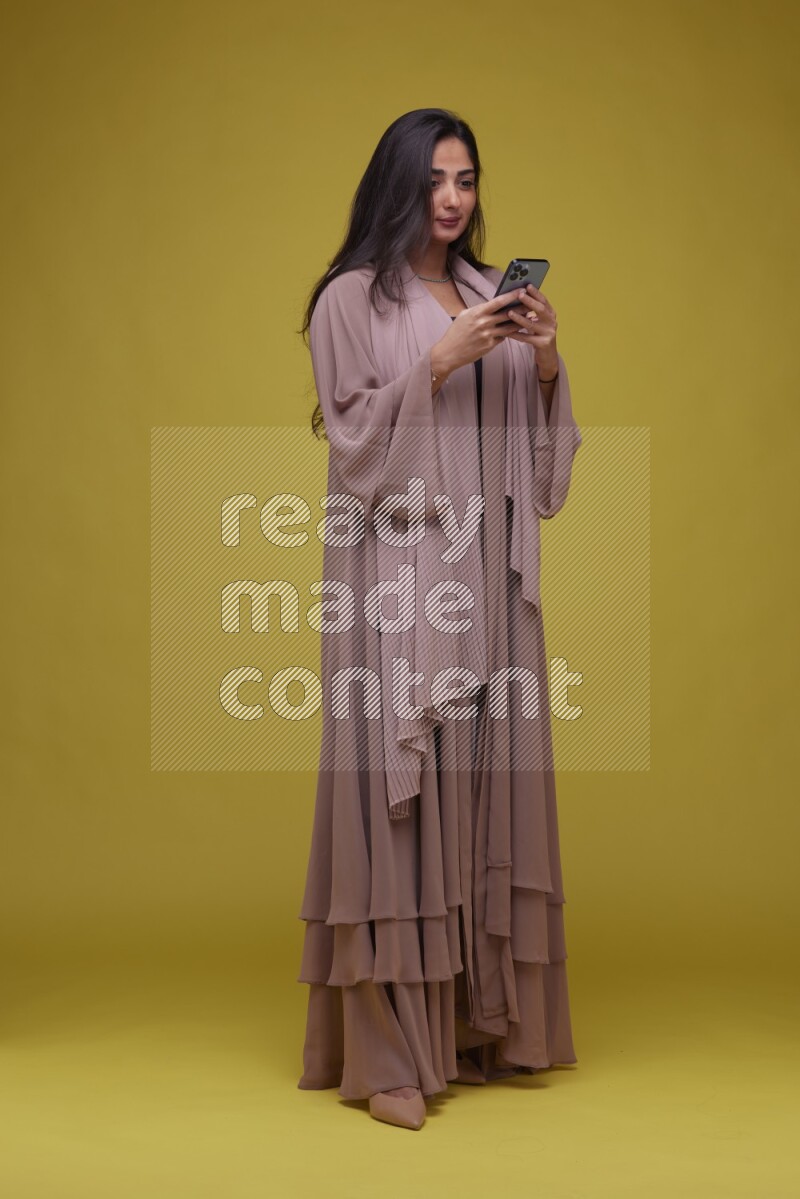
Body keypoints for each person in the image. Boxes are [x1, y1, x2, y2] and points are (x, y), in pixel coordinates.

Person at [295, 108, 582, 1130]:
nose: (451, 198)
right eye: (431, 180)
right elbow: (355, 447)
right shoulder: (347, 300)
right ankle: (386, 1056)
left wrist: (540, 361)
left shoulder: (479, 292)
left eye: (463, 178)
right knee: (396, 799)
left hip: (484, 582)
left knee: (476, 783)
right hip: (397, 574)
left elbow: (537, 473)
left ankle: (471, 1021)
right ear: (396, 186)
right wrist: (439, 362)